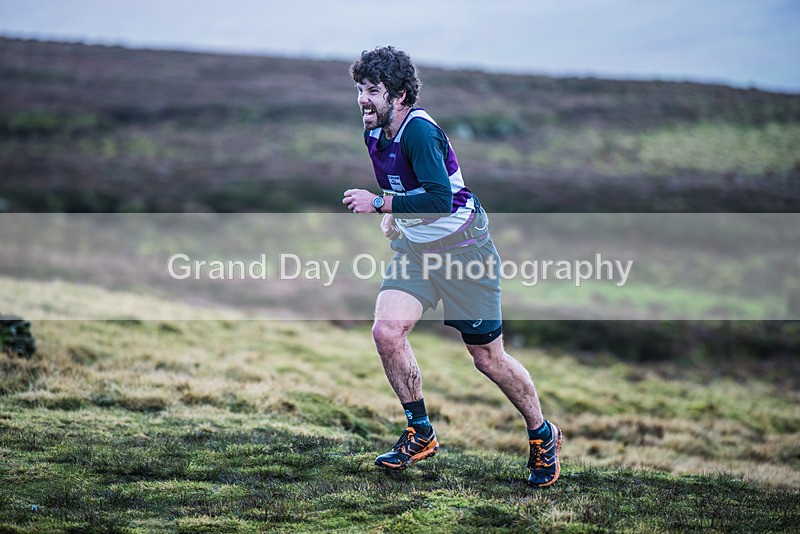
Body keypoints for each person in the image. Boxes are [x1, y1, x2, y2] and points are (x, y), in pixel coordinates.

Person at [342, 46, 562, 488]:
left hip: (465, 254)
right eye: (360, 89)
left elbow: (440, 198)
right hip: (417, 253)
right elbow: (407, 186)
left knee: (487, 359)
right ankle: (420, 433)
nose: (363, 99)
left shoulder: (420, 133)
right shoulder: (373, 131)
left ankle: (543, 434)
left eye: (373, 91)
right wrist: (394, 216)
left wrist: (381, 203)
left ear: (400, 96)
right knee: (387, 332)